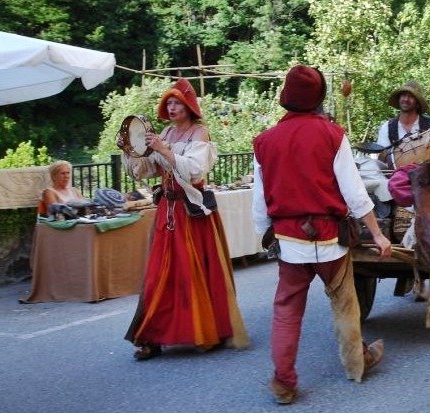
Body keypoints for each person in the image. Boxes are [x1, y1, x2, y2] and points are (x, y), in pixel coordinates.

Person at [252, 65, 391, 404]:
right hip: (331, 240)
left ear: (286, 95)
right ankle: (357, 365)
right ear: (318, 97)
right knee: (344, 304)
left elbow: (259, 201)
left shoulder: (265, 142)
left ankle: (284, 383)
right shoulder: (332, 134)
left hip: (290, 242)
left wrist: (265, 237)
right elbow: (355, 193)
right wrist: (378, 234)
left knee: (286, 311)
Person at [120, 78, 249, 360]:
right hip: (167, 209)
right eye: (169, 102)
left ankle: (205, 331)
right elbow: (147, 170)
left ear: (189, 106)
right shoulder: (165, 131)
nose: (172, 106)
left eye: (177, 102)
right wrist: (131, 149)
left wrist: (164, 150)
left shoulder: (200, 133)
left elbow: (193, 170)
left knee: (193, 273)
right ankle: (151, 336)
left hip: (191, 213)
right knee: (157, 275)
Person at [376, 81, 430, 167]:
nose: (406, 99)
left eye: (411, 96)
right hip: (395, 178)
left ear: (418, 103)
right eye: (403, 95)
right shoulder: (387, 127)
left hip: (426, 178)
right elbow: (382, 161)